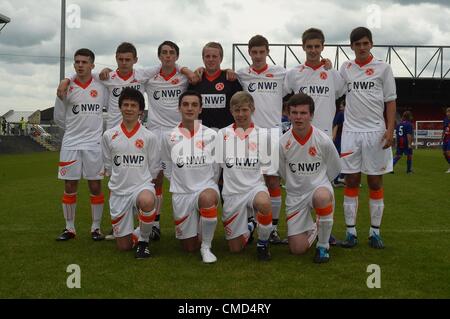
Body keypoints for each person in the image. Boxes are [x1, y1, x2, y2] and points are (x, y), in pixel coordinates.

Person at [339, 27, 397, 249]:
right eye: (357, 44)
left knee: (375, 181)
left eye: (365, 43)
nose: (361, 47)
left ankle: (375, 232)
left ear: (371, 44)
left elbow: (390, 101)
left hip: (376, 132)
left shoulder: (383, 68)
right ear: (351, 46)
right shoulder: (346, 68)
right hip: (351, 133)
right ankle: (351, 232)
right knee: (352, 180)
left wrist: (390, 129)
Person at [236, 35, 287, 244]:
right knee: (249, 180)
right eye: (254, 52)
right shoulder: (241, 74)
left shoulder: (281, 72)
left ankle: (272, 229)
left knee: (273, 181)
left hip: (273, 134)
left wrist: (325, 63)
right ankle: (250, 223)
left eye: (261, 52)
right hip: (249, 133)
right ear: (249, 53)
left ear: (267, 52)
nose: (258, 56)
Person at [279, 93, 341, 263]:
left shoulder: (323, 140)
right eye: (294, 112)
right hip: (295, 196)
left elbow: (335, 169)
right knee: (297, 249)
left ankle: (323, 246)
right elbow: (282, 172)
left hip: (318, 190)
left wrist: (319, 183)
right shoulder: (282, 142)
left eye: (303, 113)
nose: (298, 117)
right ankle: (315, 227)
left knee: (322, 196)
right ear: (288, 114)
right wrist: (297, 183)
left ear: (311, 115)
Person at [53, 48, 108, 241]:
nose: (80, 65)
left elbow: (110, 107)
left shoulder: (101, 85)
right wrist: (74, 131)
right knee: (70, 185)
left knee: (95, 185)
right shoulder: (65, 87)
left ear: (92, 65)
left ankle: (96, 228)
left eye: (85, 62)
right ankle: (69, 228)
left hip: (94, 144)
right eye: (77, 62)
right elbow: (59, 116)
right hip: (71, 143)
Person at [161, 90, 220, 263]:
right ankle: (200, 226)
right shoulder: (168, 136)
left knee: (208, 197)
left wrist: (210, 185)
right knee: (188, 247)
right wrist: (179, 183)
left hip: (205, 188)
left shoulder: (211, 135)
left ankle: (206, 247)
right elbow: (166, 165)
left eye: (194, 105)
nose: (189, 108)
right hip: (182, 193)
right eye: (185, 104)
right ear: (179, 108)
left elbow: (216, 168)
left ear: (200, 109)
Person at [102, 87, 160, 258]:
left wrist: (144, 183)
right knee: (124, 246)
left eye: (133, 105)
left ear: (140, 110)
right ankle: (141, 231)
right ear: (120, 107)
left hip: (140, 187)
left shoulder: (149, 136)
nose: (129, 108)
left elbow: (153, 167)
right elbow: (109, 165)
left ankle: (144, 242)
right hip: (119, 192)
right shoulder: (109, 135)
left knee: (147, 200)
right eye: (125, 105)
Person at [216, 91, 274, 261]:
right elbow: (219, 167)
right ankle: (251, 224)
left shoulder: (264, 135)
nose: (240, 114)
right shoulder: (222, 134)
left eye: (244, 110)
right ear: (231, 111)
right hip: (232, 194)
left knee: (263, 203)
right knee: (235, 249)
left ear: (252, 109)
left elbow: (269, 171)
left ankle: (263, 244)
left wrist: (268, 195)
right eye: (236, 110)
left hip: (254, 189)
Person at [284, 28, 346, 138]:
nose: (313, 50)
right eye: (309, 46)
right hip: (299, 132)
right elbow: (281, 96)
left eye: (317, 46)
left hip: (324, 132)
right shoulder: (294, 73)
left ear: (323, 47)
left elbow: (344, 95)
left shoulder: (332, 73)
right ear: (303, 47)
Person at [188, 42, 243, 130]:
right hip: (201, 133)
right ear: (203, 58)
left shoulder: (231, 79)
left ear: (221, 58)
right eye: (207, 56)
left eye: (214, 56)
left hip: (226, 132)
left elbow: (239, 106)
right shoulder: (196, 80)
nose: (211, 59)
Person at [332, 98, 346, 186]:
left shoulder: (347, 114)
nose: (340, 106)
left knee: (344, 158)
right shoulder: (341, 114)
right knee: (339, 158)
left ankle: (339, 178)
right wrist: (333, 137)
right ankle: (335, 179)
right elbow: (336, 125)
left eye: (342, 104)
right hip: (339, 139)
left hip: (344, 139)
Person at [442, 107, 450, 173]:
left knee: (448, 152)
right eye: (447, 112)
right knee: (444, 153)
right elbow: (444, 129)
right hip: (446, 138)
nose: (447, 113)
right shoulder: (445, 120)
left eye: (449, 112)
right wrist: (441, 138)